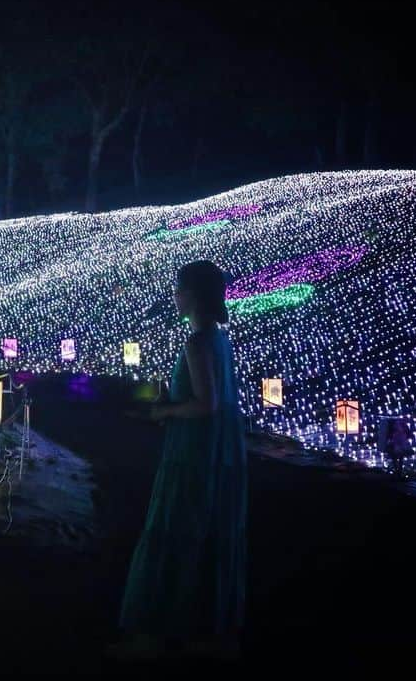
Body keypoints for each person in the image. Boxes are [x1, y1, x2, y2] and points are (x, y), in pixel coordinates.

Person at [109, 260, 247, 662]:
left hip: (195, 449)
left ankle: (153, 635)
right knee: (208, 531)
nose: (174, 296)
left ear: (193, 295)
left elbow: (207, 403)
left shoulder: (197, 342)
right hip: (220, 448)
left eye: (179, 289)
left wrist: (165, 412)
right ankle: (205, 629)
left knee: (176, 526)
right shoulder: (220, 339)